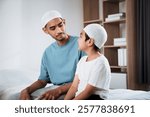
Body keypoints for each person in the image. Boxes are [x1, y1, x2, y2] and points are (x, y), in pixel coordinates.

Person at [19, 10, 85, 100]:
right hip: (56, 89)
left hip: (77, 89)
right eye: (53, 28)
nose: (59, 31)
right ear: (45, 30)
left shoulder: (81, 44)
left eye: (60, 25)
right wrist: (26, 90)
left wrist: (59, 90)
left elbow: (86, 78)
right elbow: (42, 81)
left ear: (64, 22)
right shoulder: (47, 53)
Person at [64, 24, 111, 100]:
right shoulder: (82, 61)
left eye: (81, 36)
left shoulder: (101, 62)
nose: (77, 40)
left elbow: (88, 92)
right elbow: (74, 86)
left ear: (90, 41)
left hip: (95, 98)